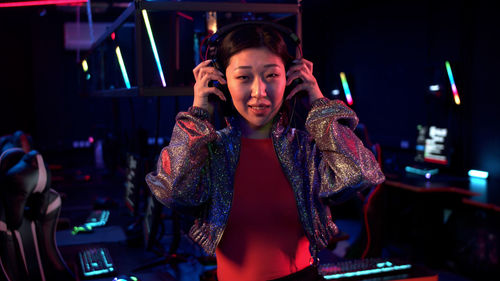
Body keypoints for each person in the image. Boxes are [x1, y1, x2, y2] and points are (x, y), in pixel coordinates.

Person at [146, 23, 385, 281]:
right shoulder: (210, 151)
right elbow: (173, 191)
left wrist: (318, 101)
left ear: (290, 78)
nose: (259, 92)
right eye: (243, 77)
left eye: (271, 75)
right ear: (222, 82)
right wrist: (197, 113)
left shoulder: (305, 149)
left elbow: (362, 174)